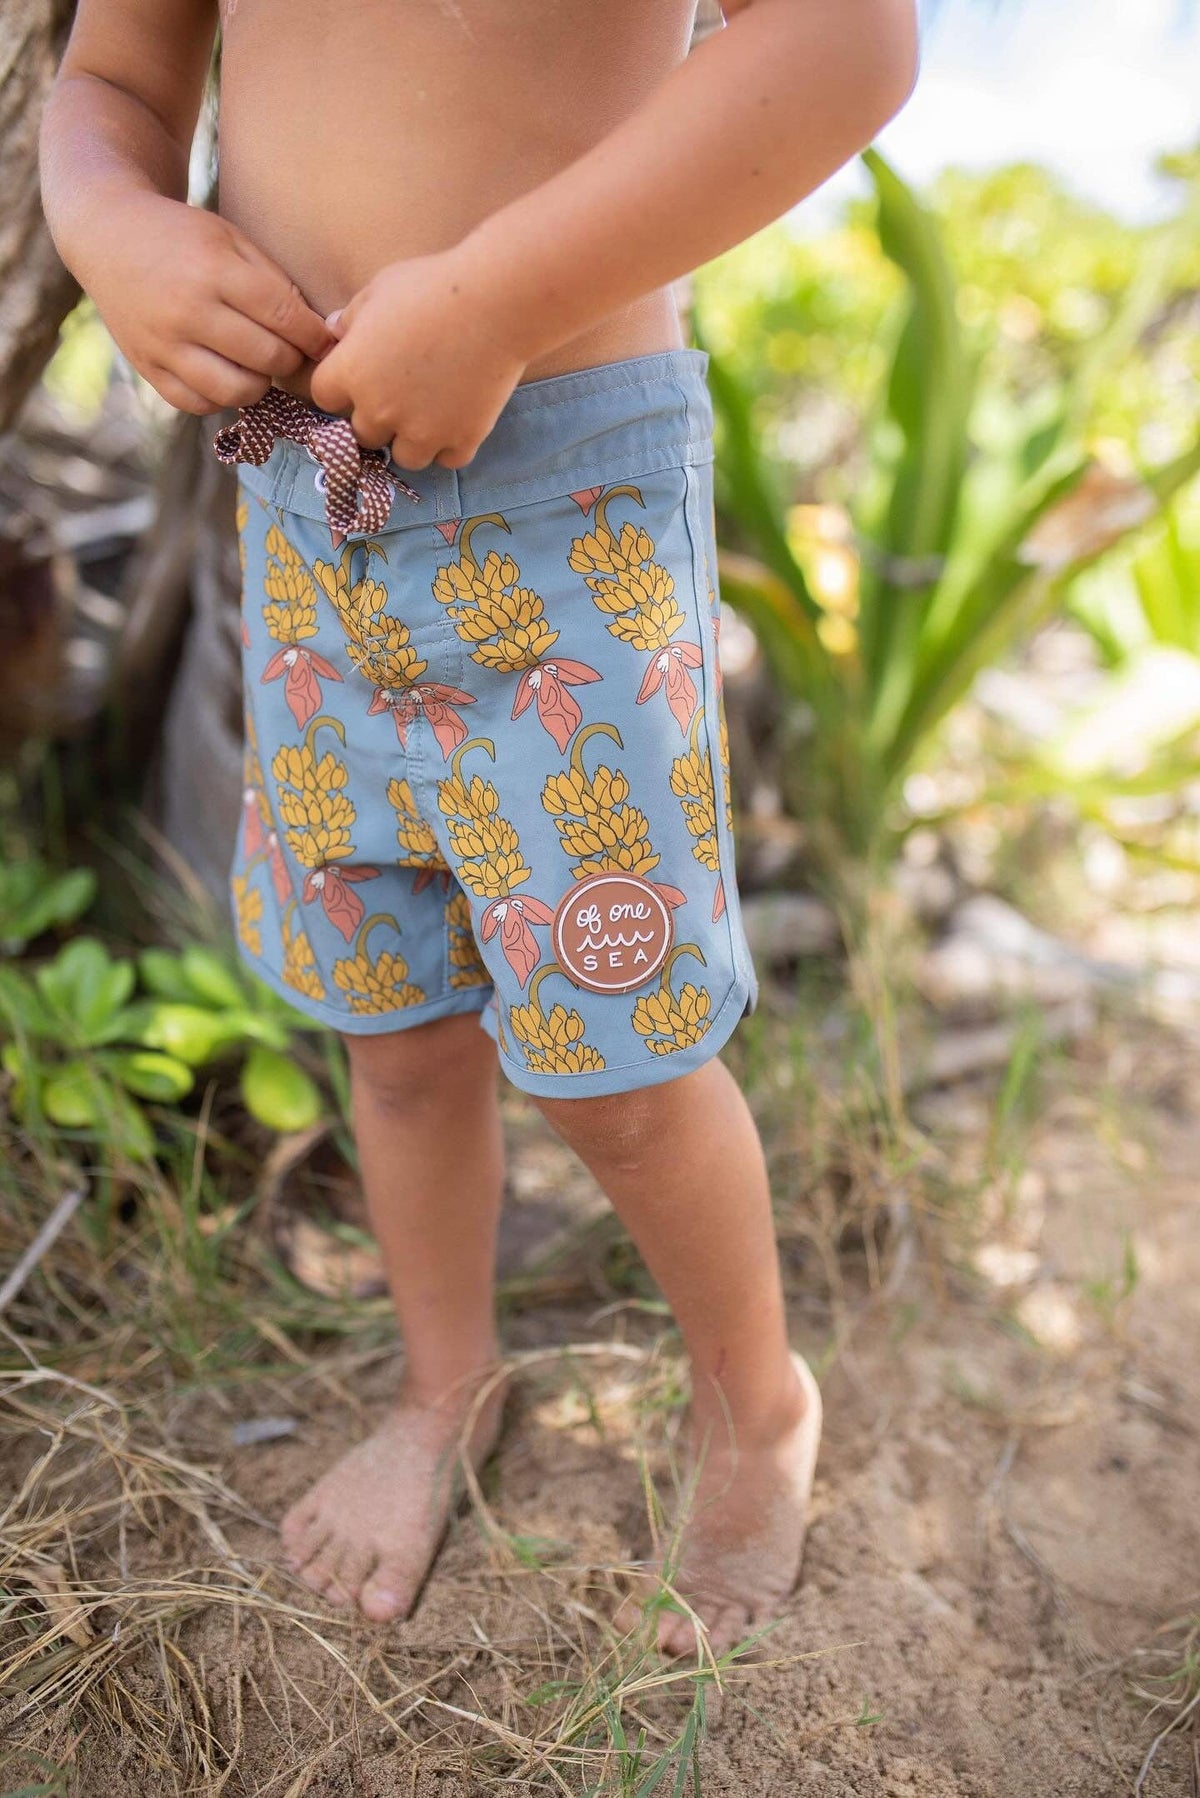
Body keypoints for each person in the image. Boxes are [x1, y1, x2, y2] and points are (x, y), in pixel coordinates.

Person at [39, 0, 918, 1656]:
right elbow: (116, 78)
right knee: (393, 1025)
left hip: (563, 507)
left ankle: (755, 1399)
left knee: (626, 1057)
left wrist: (499, 296)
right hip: (304, 506)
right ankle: (447, 1385)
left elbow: (849, 41)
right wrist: (115, 227)